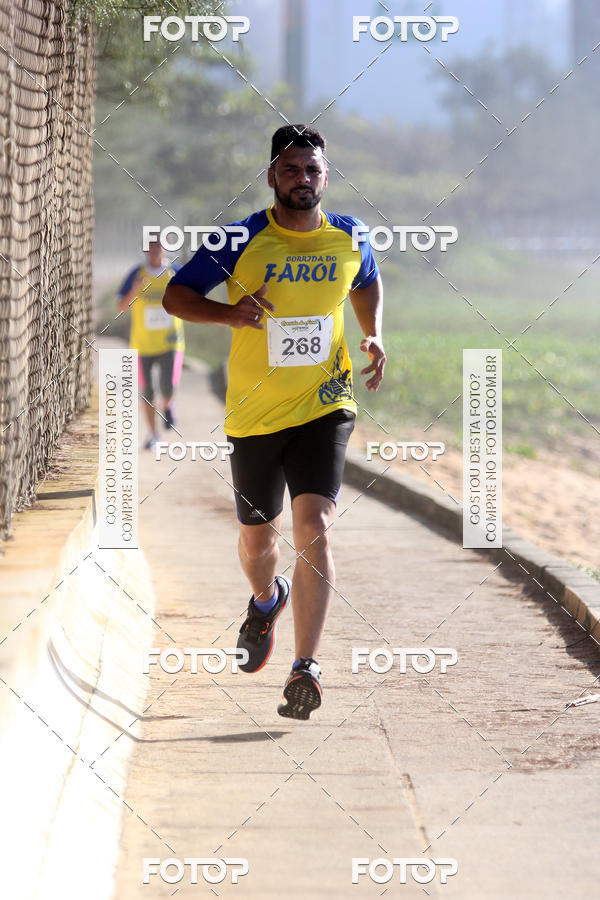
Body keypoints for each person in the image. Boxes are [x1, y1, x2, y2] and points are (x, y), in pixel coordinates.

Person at [163, 124, 386, 720]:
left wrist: (373, 334)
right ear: (271, 177)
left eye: (312, 169)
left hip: (326, 404)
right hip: (255, 414)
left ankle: (305, 666)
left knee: (315, 528)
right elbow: (176, 297)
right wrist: (230, 314)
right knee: (258, 541)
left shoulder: (350, 235)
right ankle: (266, 600)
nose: (302, 179)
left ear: (326, 176)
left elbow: (366, 282)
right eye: (291, 169)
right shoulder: (239, 238)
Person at [117, 238, 185, 449]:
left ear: (166, 249)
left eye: (159, 245)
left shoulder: (175, 272)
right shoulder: (136, 274)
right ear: (145, 250)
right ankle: (154, 435)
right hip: (142, 345)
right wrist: (135, 290)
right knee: (147, 393)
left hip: (170, 342)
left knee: (167, 386)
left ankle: (168, 404)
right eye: (151, 246)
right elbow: (121, 307)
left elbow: (192, 297)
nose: (155, 249)